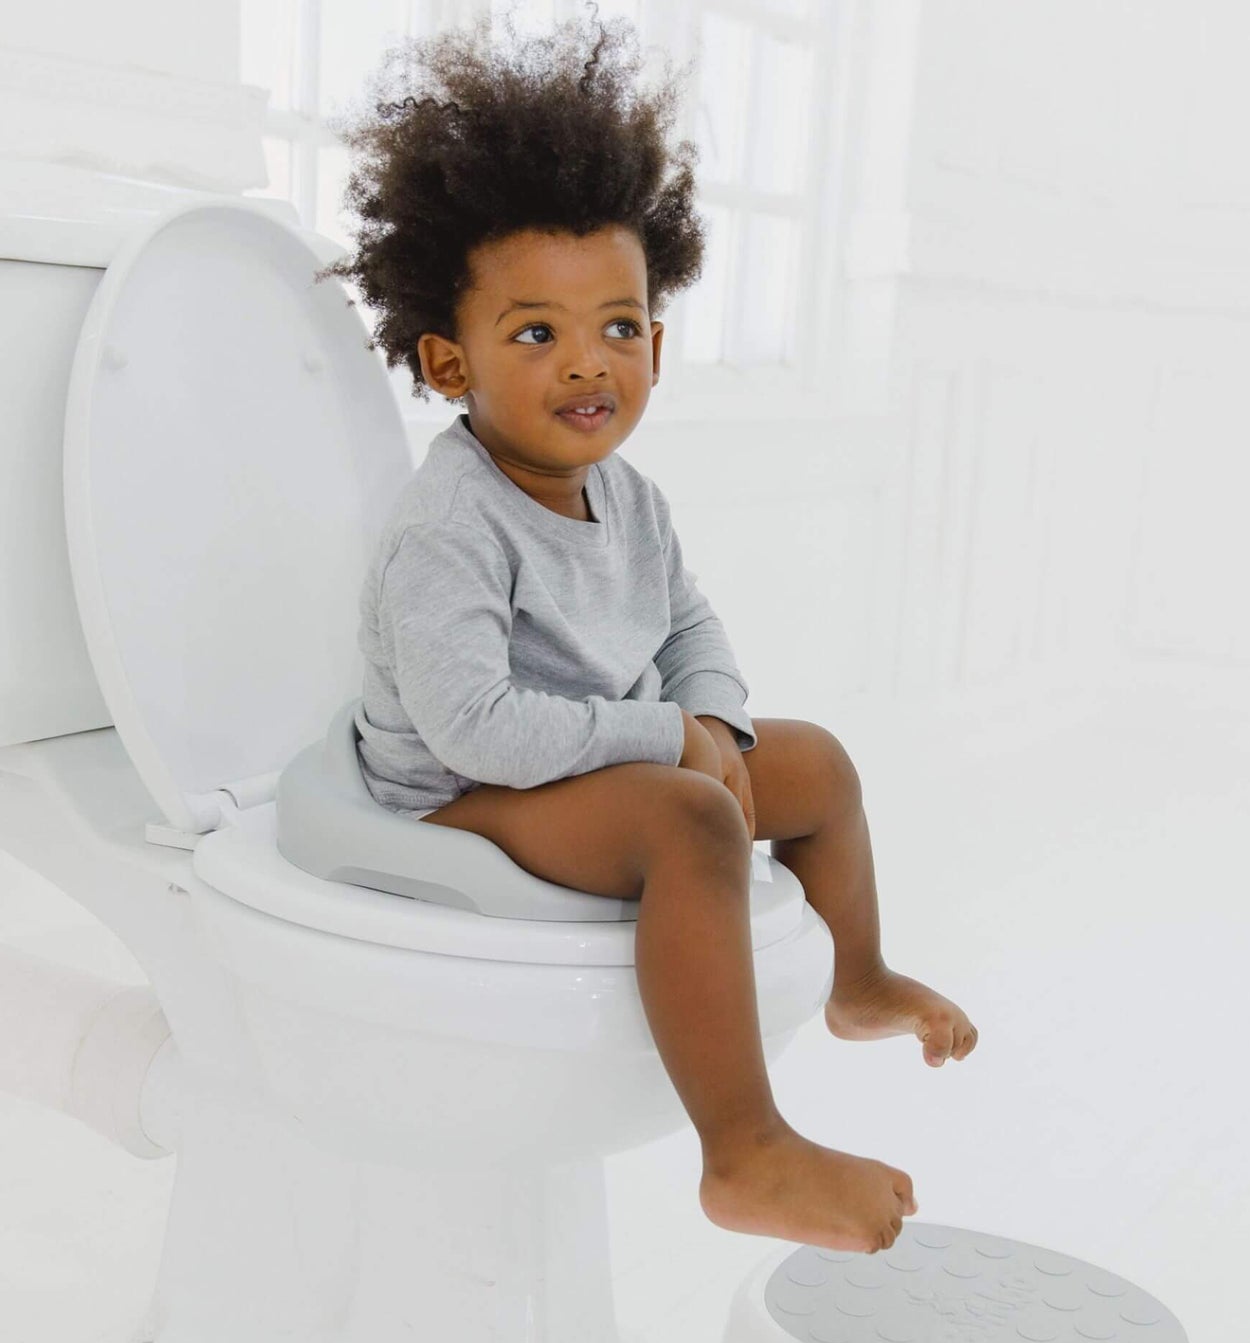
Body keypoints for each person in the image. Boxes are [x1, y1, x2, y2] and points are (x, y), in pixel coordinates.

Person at [318, 5, 977, 1256]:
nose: (588, 365)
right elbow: (478, 726)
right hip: (454, 794)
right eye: (535, 334)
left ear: (658, 343)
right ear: (449, 365)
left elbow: (688, 624)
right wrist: (669, 742)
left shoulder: (628, 496)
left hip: (590, 760)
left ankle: (855, 973)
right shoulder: (447, 527)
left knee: (816, 762)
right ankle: (744, 1149)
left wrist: (714, 717)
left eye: (617, 326)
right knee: (692, 818)